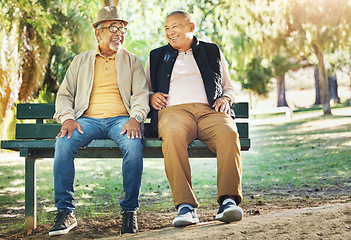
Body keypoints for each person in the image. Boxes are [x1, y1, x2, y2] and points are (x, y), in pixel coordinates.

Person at [49, 6, 149, 236]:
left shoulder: (132, 61)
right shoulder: (81, 61)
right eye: (113, 28)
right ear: (98, 33)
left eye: (122, 28)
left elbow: (141, 94)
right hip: (87, 120)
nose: (119, 33)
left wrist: (136, 117)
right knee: (63, 143)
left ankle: (130, 211)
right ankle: (65, 212)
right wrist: (68, 118)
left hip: (121, 120)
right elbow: (65, 95)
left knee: (134, 146)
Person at [145, 10, 243, 227]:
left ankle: (228, 201)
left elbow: (229, 88)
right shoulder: (156, 56)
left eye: (175, 27)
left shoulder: (212, 51)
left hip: (210, 111)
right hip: (174, 113)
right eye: (166, 28)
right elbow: (144, 90)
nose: (170, 32)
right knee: (171, 134)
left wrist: (226, 98)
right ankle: (185, 207)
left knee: (229, 133)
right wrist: (151, 97)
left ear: (191, 27)